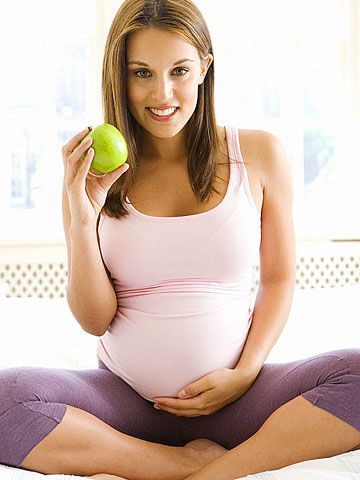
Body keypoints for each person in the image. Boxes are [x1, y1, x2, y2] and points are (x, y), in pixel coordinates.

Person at [0, 1, 359, 479]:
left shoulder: (259, 154)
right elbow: (93, 319)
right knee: (6, 400)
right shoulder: (92, 172)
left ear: (205, 69)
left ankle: (215, 472)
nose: (162, 92)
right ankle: (182, 463)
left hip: (239, 399)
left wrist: (243, 374)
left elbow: (278, 279)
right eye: (142, 72)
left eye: (180, 70)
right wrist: (82, 222)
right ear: (119, 76)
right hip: (126, 403)